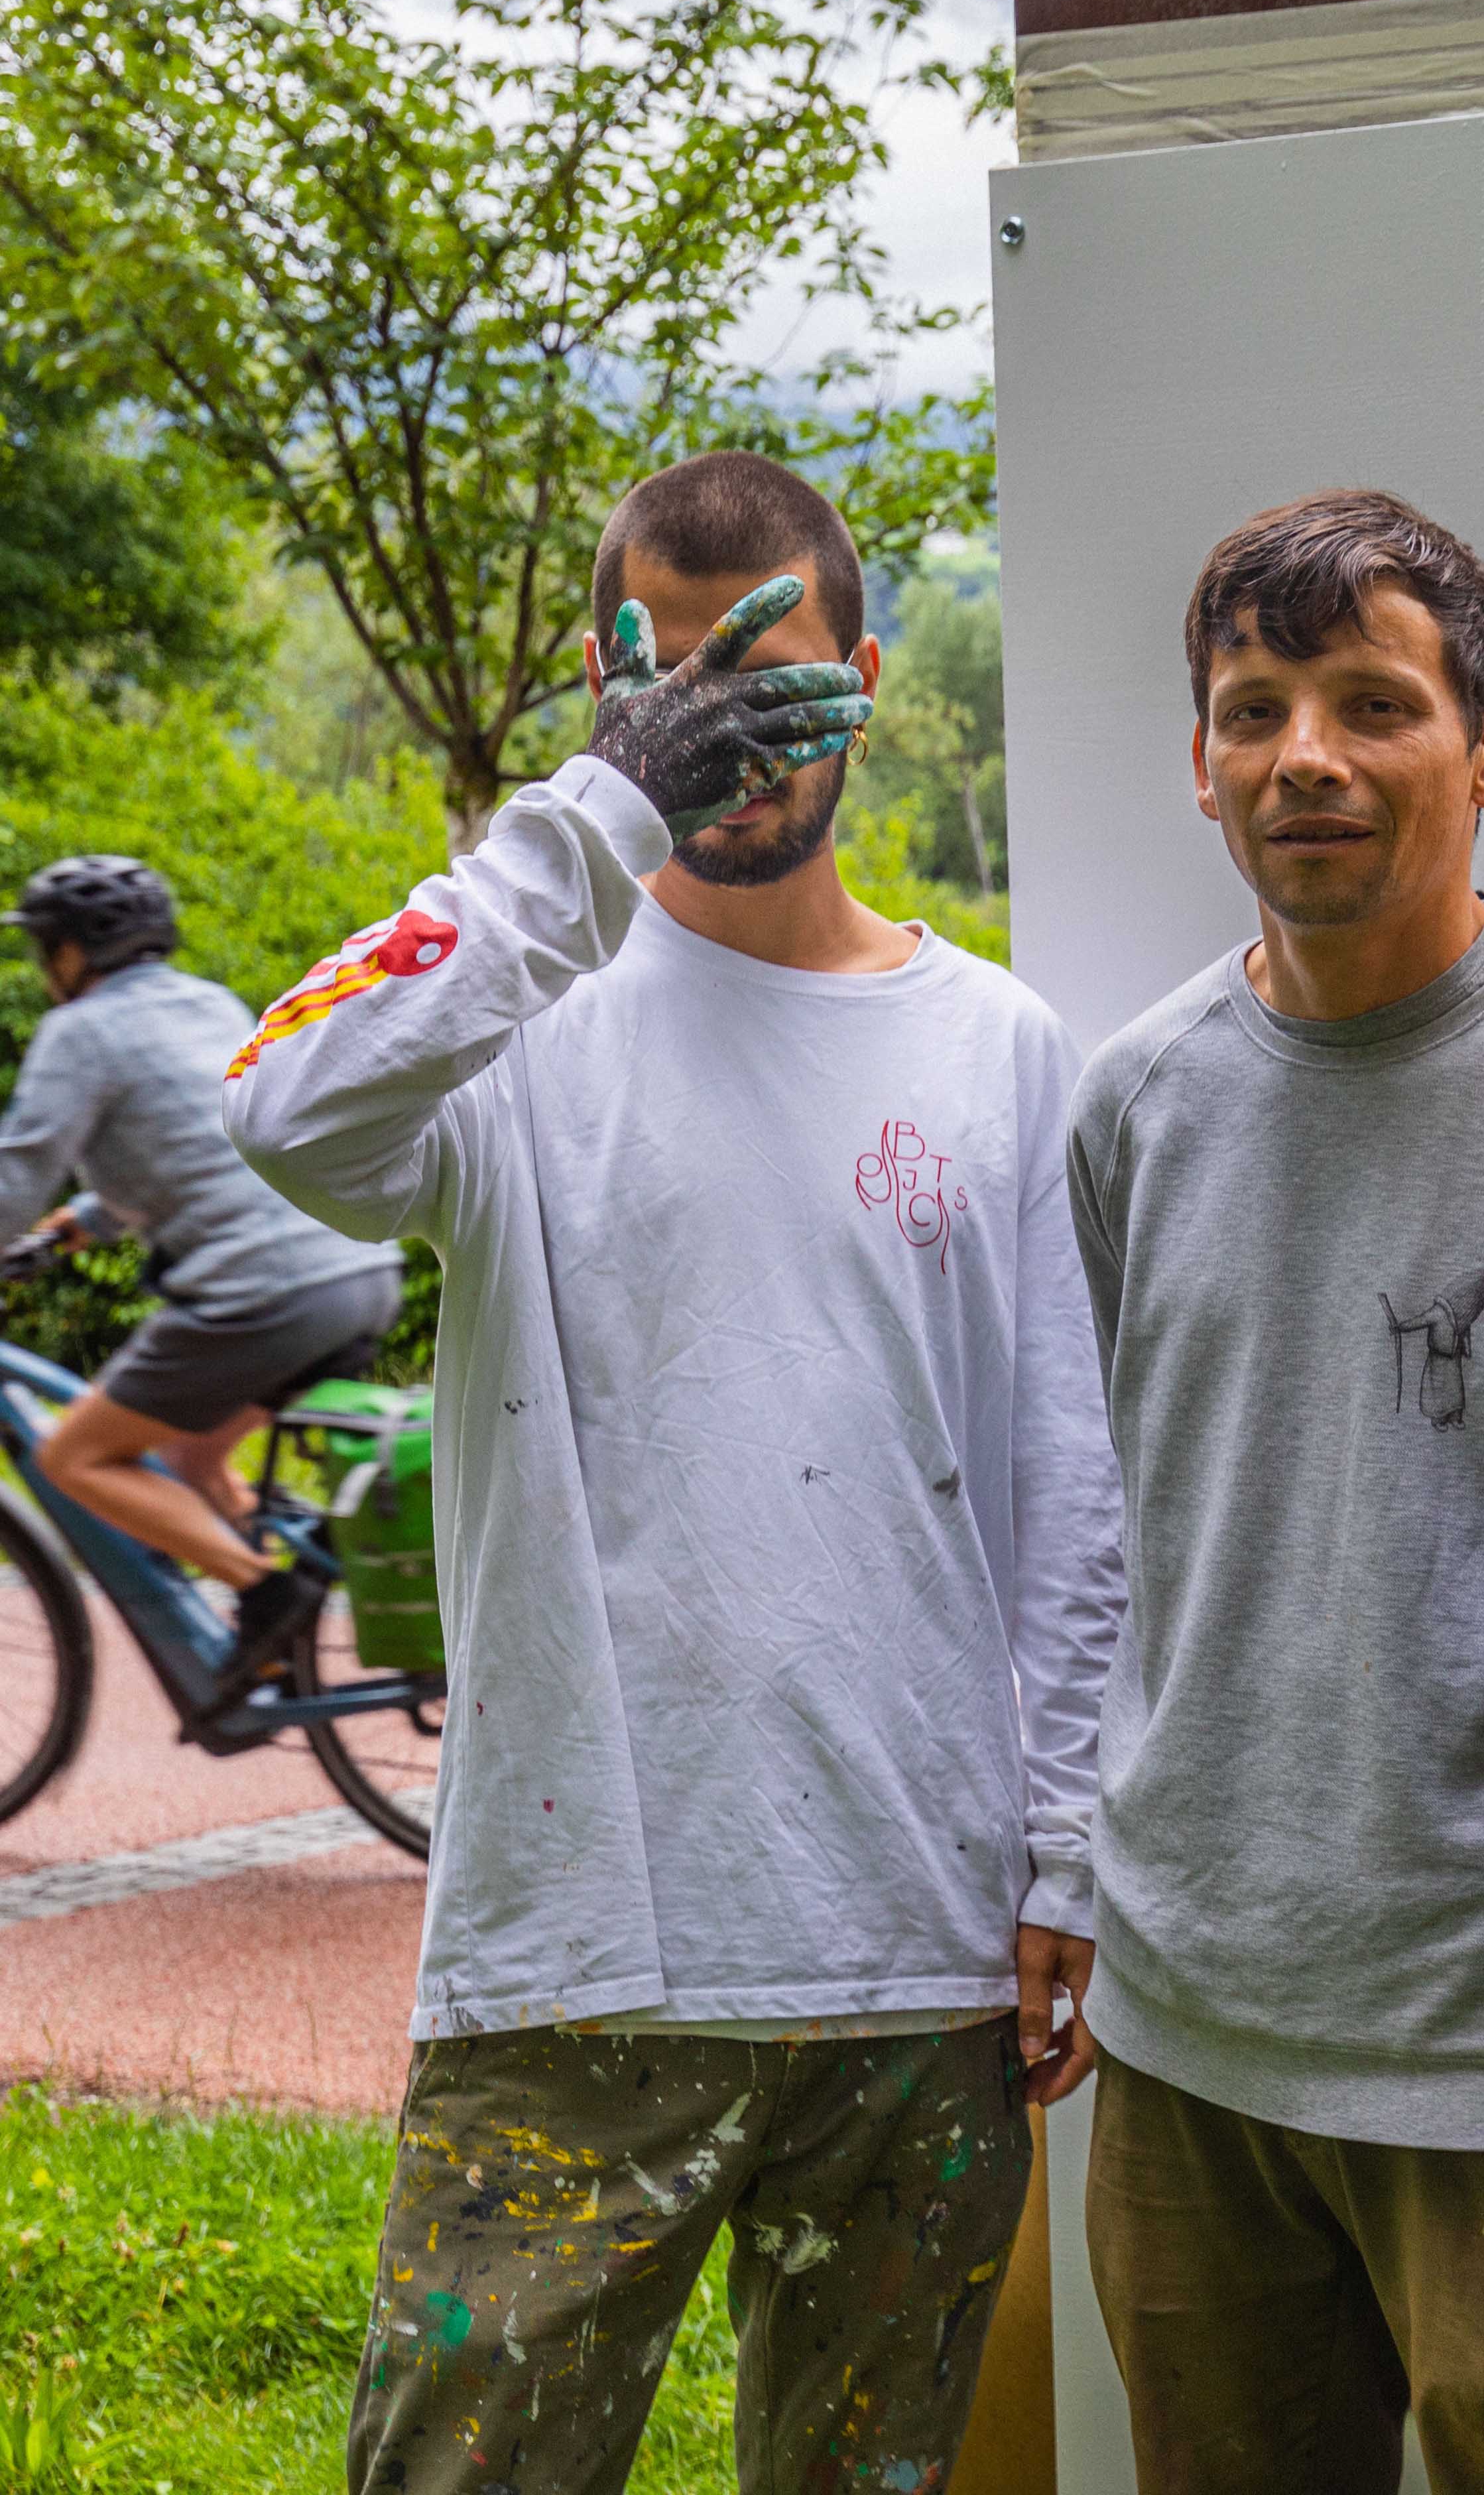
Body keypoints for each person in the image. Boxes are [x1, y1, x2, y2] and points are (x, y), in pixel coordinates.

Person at [225, 450, 1125, 2495]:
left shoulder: (993, 1044)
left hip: (921, 1955)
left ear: (868, 678)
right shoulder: (518, 1025)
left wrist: (1061, 1845)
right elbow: (280, 1101)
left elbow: (1066, 1482)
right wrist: (598, 817)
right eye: (671, 686)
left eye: (768, 677)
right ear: (611, 699)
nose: (725, 728)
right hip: (577, 1960)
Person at [1068, 489, 1484, 2495]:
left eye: (1370, 703)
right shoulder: (1135, 1102)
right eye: (1254, 709)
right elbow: (1123, 1515)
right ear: (1201, 764)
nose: (1303, 756)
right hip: (1190, 2027)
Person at [0, 854, 406, 1689]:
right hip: (357, 1271)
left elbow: (20, 1170)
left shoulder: (79, 1032)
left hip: (266, 1293)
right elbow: (187, 1149)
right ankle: (294, 1614)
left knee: (72, 1458)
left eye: (48, 949)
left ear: (76, 953)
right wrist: (78, 1227)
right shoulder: (205, 1004)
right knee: (192, 1463)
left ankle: (269, 1597)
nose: (45, 968)